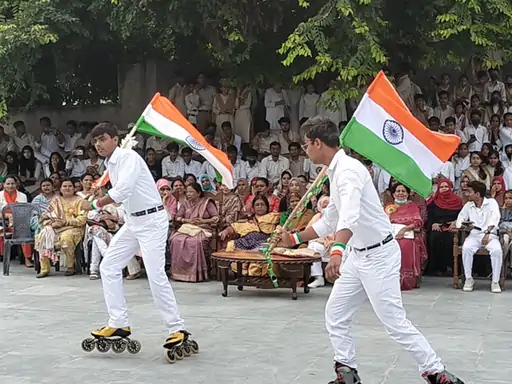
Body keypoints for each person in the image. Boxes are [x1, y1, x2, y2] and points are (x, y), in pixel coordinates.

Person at [277, 117, 464, 384]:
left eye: (306, 144)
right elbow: (331, 219)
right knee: (336, 312)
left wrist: (337, 253)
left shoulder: (349, 171)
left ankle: (436, 372)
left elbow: (349, 218)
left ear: (318, 143)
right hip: (358, 254)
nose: (305, 150)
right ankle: (347, 373)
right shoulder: (334, 170)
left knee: (394, 322)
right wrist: (293, 238)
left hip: (379, 256)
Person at [81, 122, 197, 360]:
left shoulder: (128, 157)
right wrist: (111, 209)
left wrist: (94, 203)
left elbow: (123, 190)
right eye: (95, 141)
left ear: (115, 139)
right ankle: (118, 322)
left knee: (155, 275)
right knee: (109, 266)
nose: (98, 145)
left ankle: (177, 328)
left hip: (153, 222)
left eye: (102, 139)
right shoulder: (110, 164)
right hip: (133, 222)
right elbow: (128, 199)